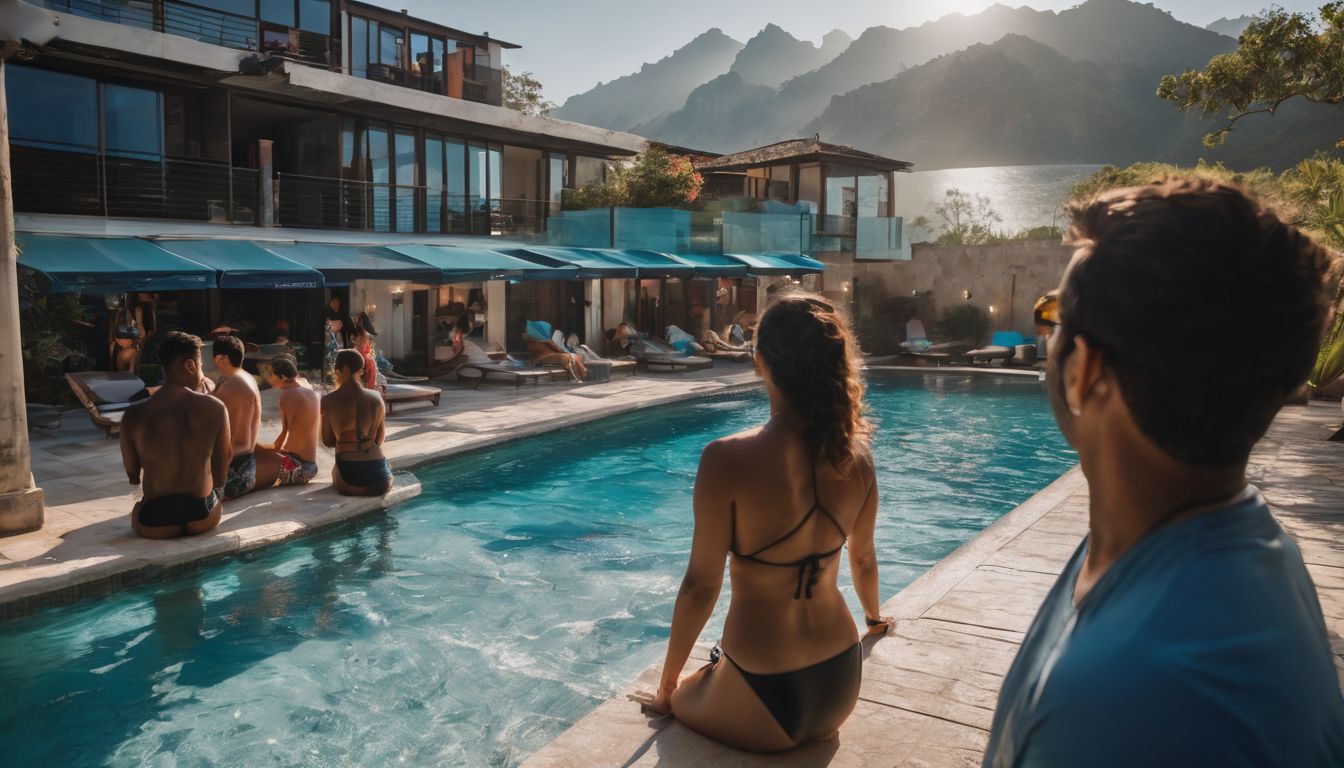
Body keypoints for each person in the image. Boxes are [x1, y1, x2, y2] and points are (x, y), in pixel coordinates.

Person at [982, 179, 1344, 767]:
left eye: (1053, 313)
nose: (1046, 332)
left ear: (1083, 370)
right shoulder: (1237, 548)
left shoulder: (1129, 701)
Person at [649, 294, 887, 752]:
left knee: (685, 694)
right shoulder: (857, 457)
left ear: (760, 361)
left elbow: (700, 586)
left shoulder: (725, 459)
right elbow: (864, 558)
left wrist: (667, 691)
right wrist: (874, 619)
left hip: (762, 691)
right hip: (840, 683)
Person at [120, 331, 229, 539]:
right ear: (191, 365)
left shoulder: (133, 414)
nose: (202, 372)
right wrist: (218, 491)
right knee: (214, 499)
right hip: (202, 515)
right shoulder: (215, 407)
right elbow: (223, 460)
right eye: (201, 366)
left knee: (138, 509)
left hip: (155, 521)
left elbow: (132, 473)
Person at [210, 336, 280, 499]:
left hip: (235, 471)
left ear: (220, 359)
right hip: (245, 462)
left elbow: (224, 446)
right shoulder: (243, 378)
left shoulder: (231, 386)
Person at [321, 349, 392, 496]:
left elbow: (328, 441)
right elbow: (378, 440)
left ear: (345, 369)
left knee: (335, 472)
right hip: (381, 476)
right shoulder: (377, 398)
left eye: (336, 371)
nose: (336, 375)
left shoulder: (328, 400)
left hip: (350, 478)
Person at [254, 355, 320, 487]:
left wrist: (257, 448)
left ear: (283, 377)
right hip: (310, 465)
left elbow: (282, 438)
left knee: (252, 461)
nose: (268, 378)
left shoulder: (286, 396)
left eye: (271, 374)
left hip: (297, 466)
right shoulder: (311, 393)